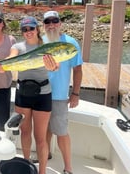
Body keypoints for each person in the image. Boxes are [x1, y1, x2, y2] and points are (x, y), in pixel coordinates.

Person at [0, 16, 57, 174]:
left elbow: (57, 65)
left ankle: (42, 171)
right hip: (23, 94)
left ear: (37, 29)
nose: (28, 32)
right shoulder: (18, 47)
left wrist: (54, 66)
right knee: (25, 132)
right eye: (24, 29)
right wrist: (2, 65)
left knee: (41, 138)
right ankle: (26, 164)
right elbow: (11, 57)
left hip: (43, 94)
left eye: (31, 28)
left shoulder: (47, 46)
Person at [42, 10, 83, 174]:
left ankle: (68, 167)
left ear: (60, 23)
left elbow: (78, 70)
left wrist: (76, 93)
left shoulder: (70, 43)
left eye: (54, 21)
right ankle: (46, 155)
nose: (51, 25)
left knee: (61, 131)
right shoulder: (39, 41)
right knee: (44, 130)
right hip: (40, 94)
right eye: (47, 22)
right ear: (43, 25)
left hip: (59, 95)